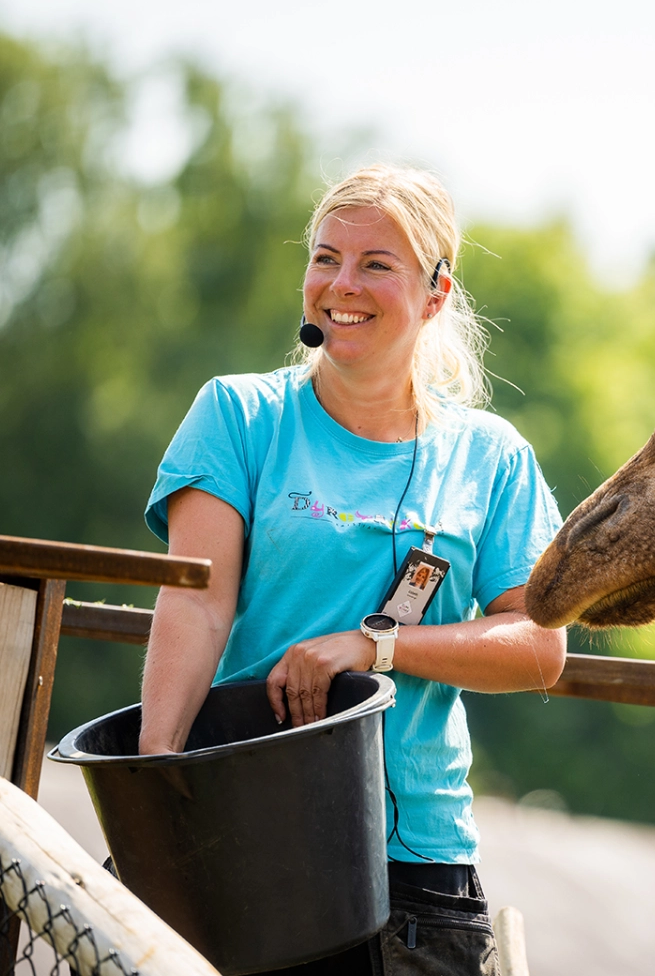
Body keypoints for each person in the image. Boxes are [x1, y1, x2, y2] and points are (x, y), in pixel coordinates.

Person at [138, 165, 567, 976]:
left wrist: (374, 647)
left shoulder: (492, 457)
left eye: (376, 264)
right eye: (326, 258)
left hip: (418, 874)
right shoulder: (237, 415)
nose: (342, 284)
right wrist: (159, 774)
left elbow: (540, 645)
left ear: (436, 293)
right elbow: (196, 604)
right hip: (248, 839)